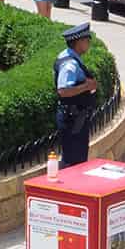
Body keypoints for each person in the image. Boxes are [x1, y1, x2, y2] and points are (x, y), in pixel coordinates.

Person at [53, 22, 100, 167]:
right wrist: (87, 86)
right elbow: (63, 90)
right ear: (79, 42)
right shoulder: (69, 65)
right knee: (74, 161)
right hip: (73, 119)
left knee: (75, 158)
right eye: (87, 40)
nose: (89, 43)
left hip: (76, 117)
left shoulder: (68, 55)